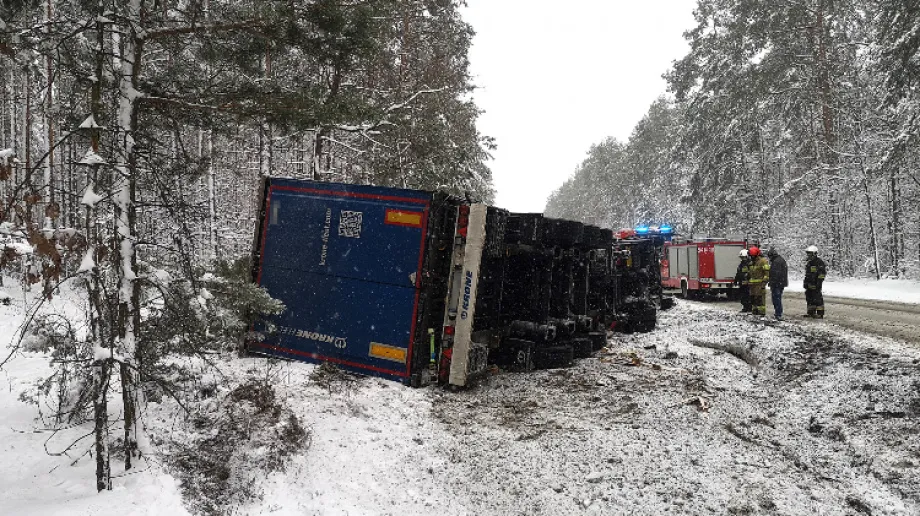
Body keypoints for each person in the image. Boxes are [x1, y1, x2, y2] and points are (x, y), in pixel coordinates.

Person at [804, 245, 827, 318]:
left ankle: (820, 314)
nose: (808, 255)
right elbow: (807, 275)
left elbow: (822, 274)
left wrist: (818, 283)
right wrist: (806, 283)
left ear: (814, 253)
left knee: (817, 299)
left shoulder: (819, 262)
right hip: (809, 285)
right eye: (808, 253)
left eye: (810, 253)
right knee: (809, 298)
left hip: (816, 285)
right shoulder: (809, 263)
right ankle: (811, 313)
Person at [747, 246, 770, 316]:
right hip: (752, 286)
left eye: (752, 256)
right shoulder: (751, 262)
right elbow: (750, 273)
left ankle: (761, 312)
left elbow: (767, 274)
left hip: (759, 285)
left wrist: (763, 283)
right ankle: (754, 311)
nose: (751, 257)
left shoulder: (763, 261)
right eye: (750, 256)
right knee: (753, 299)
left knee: (760, 299)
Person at [767, 248, 788, 320]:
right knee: (777, 298)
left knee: (776, 299)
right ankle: (778, 313)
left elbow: (775, 274)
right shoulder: (780, 260)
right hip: (780, 283)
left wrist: (772, 282)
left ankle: (778, 314)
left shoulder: (776, 262)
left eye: (769, 256)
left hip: (777, 284)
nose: (769, 258)